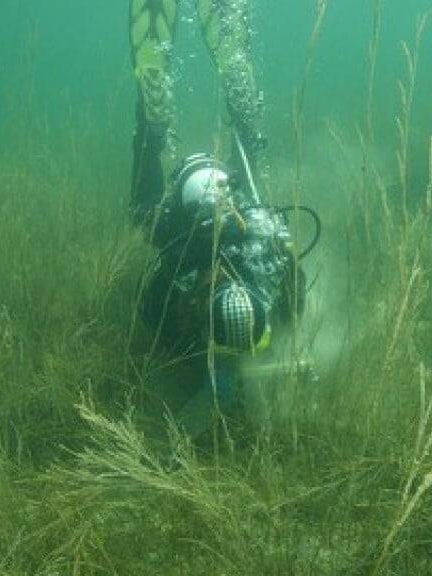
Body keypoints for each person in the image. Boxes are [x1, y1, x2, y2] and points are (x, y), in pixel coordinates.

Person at [127, 0, 307, 431]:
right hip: (196, 208)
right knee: (151, 217)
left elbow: (150, 309)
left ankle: (156, 123)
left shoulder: (261, 263)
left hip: (219, 201)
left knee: (249, 196)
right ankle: (215, 103)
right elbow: (149, 310)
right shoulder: (233, 259)